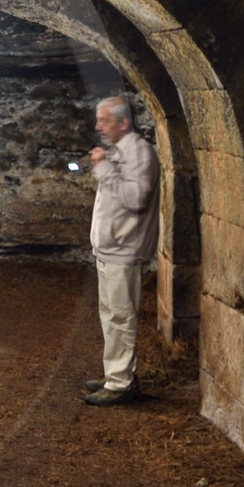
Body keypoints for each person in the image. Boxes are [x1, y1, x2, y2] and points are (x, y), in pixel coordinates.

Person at [83, 96, 160, 406]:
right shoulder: (121, 152)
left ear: (123, 122)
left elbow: (135, 198)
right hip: (112, 249)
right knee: (111, 315)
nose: (98, 126)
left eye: (104, 120)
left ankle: (121, 383)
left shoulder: (139, 153)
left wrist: (103, 168)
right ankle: (116, 373)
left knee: (120, 317)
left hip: (124, 250)